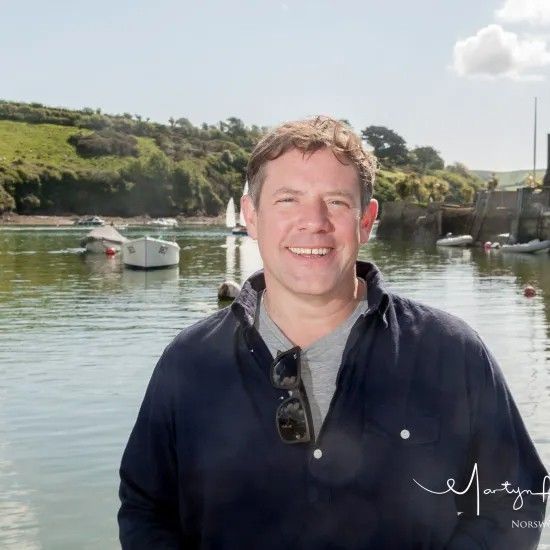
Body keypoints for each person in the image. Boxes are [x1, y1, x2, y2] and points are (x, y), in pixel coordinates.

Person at [118, 116, 548, 549]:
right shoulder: (189, 362)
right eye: (288, 199)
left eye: (337, 202)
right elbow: (145, 507)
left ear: (366, 220)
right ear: (251, 216)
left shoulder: (452, 353)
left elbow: (517, 499)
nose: (314, 221)